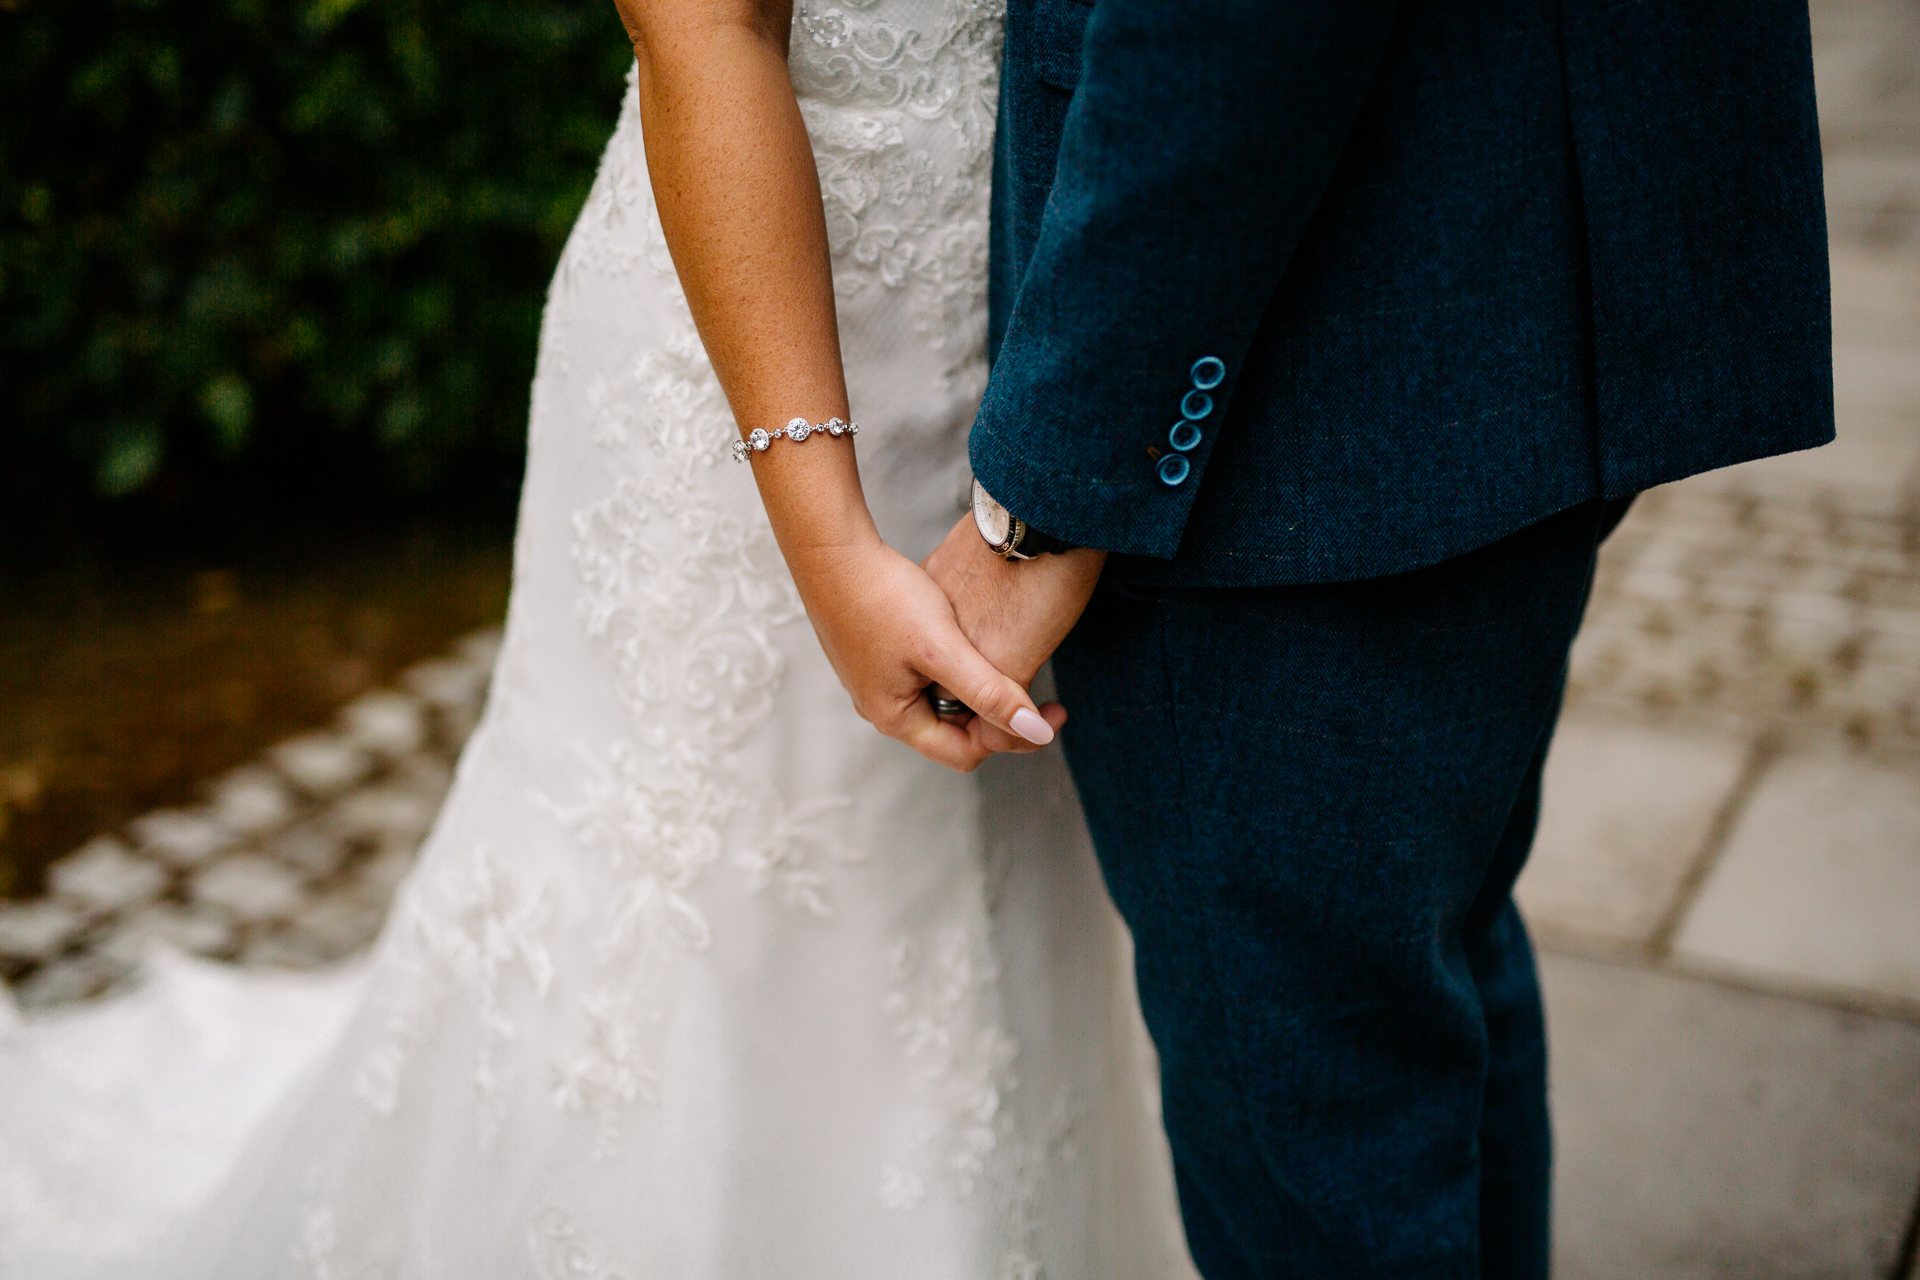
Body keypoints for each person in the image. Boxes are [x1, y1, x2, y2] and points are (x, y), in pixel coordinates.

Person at [0, 0, 1198, 1275]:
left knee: (1021, 891)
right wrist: (832, 549)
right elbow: (703, 32)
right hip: (765, 371)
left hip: (1045, 332)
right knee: (695, 886)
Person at [908, 0, 1834, 1276]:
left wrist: (1047, 507)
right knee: (1422, 983)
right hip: (1503, 249)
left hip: (1307, 358)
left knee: (1317, 1098)